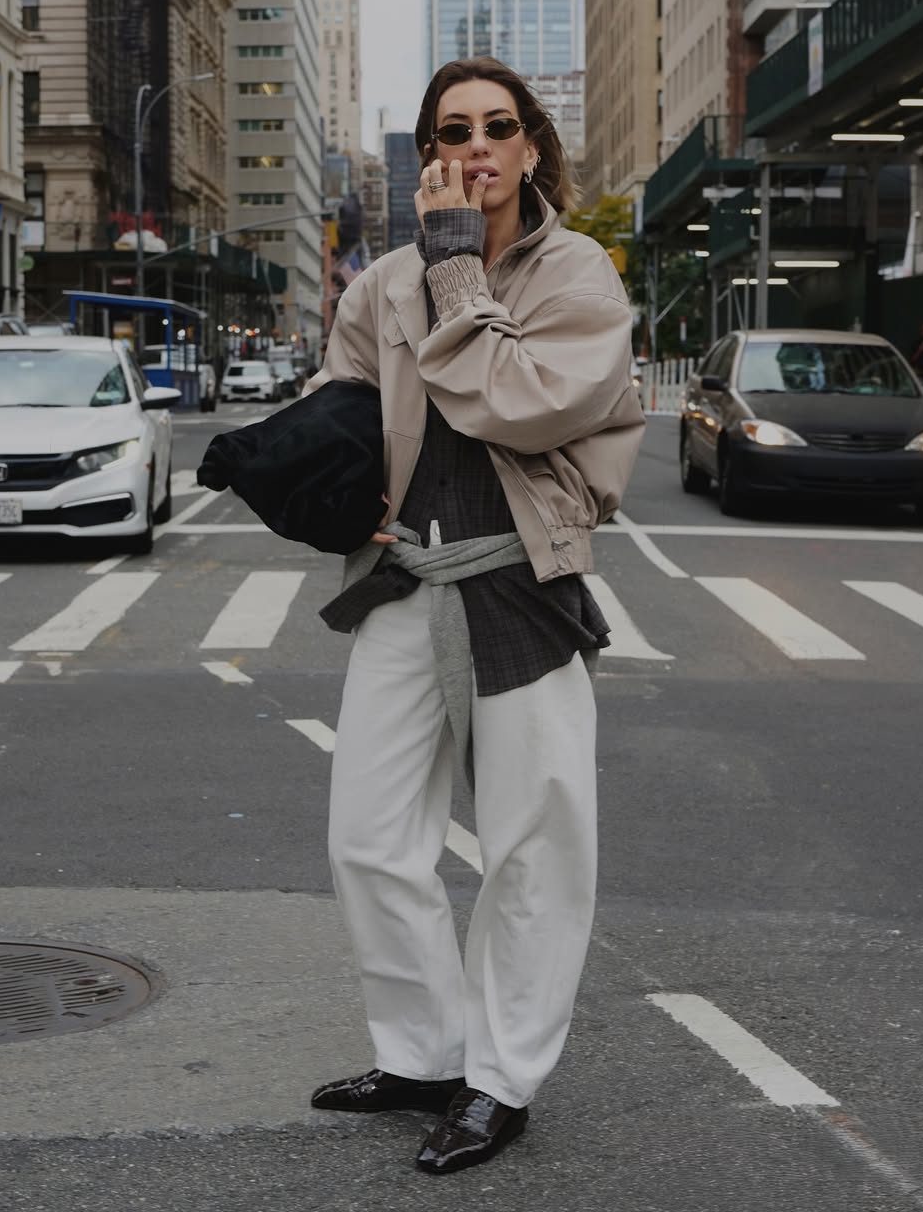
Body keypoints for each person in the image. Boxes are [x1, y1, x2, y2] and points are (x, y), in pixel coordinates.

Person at [305, 57, 645, 1174]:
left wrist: (457, 271)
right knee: (368, 838)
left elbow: (519, 403)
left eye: (500, 127)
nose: (478, 146)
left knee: (533, 851)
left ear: (532, 148)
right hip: (405, 579)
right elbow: (343, 408)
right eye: (454, 130)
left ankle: (500, 1082)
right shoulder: (379, 285)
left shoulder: (578, 275)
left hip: (521, 586)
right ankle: (423, 1055)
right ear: (429, 154)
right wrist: (320, 478)